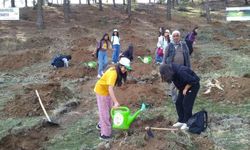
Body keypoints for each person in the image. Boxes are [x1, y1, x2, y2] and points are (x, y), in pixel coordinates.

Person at [94, 57, 132, 140]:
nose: (125, 70)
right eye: (124, 68)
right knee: (105, 113)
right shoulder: (113, 73)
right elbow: (110, 88)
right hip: (101, 92)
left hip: (105, 91)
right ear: (120, 65)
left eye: (127, 69)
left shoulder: (115, 70)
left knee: (110, 110)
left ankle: (101, 125)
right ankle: (105, 135)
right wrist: (116, 102)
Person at [159, 64, 200, 130]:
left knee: (186, 103)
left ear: (167, 71)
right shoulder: (171, 72)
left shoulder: (181, 72)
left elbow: (194, 80)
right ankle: (181, 120)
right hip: (183, 87)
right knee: (178, 102)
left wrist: (186, 89)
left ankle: (188, 123)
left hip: (193, 85)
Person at [163, 30, 191, 103]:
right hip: (172, 69)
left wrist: (188, 68)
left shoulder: (183, 45)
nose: (176, 37)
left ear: (179, 37)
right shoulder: (169, 46)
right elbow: (165, 56)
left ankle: (183, 98)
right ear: (172, 37)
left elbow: (187, 57)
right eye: (174, 36)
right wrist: (164, 66)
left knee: (183, 83)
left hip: (182, 68)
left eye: (177, 36)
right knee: (173, 84)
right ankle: (175, 100)